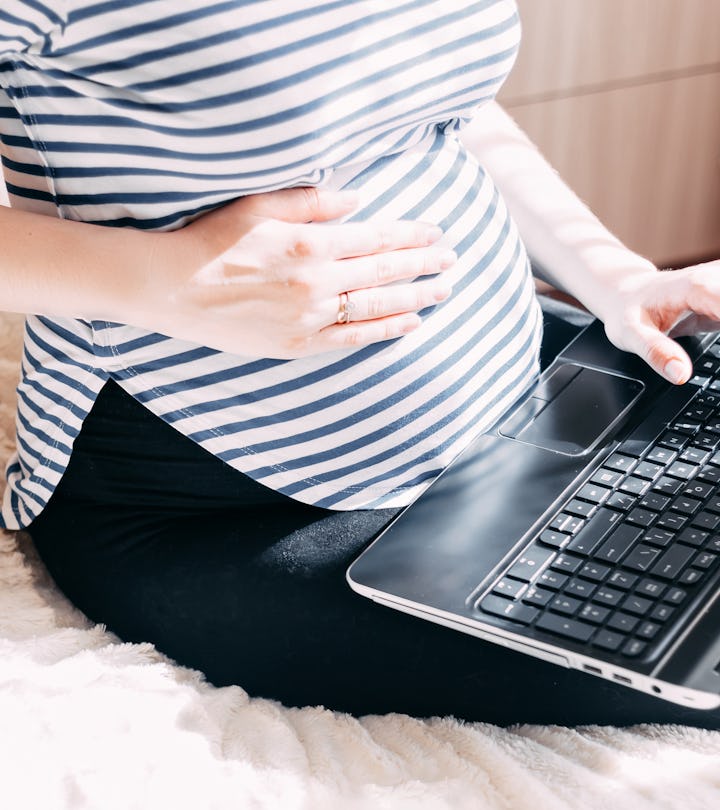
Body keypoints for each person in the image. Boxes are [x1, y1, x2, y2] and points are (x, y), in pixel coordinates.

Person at [1, 1, 719, 726]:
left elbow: (429, 101)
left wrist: (618, 279)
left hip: (534, 388)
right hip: (232, 511)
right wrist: (168, 276)